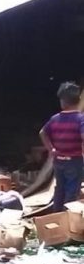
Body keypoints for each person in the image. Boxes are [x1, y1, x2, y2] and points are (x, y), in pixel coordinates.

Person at [39, 82, 84, 212]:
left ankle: (56, 215)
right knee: (72, 191)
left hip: (59, 160)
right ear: (79, 100)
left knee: (60, 189)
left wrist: (51, 149)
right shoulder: (80, 119)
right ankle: (67, 219)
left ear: (62, 102)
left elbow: (42, 133)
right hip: (74, 161)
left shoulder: (55, 119)